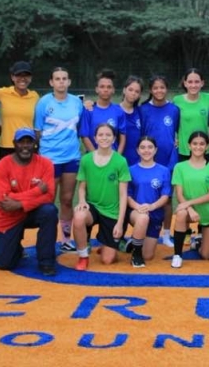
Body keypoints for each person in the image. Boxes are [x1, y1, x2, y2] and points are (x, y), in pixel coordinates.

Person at [0, 128, 58, 276]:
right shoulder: (3, 164)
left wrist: (21, 204)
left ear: (35, 144)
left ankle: (46, 261)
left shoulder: (46, 163)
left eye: (29, 142)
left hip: (31, 211)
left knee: (50, 211)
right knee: (4, 264)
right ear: (14, 144)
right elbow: (4, 200)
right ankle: (16, 246)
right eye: (21, 142)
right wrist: (37, 192)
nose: (25, 146)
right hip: (10, 217)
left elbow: (49, 196)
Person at [34, 67, 84, 253]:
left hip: (71, 157)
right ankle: (46, 238)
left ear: (69, 82)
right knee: (47, 200)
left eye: (64, 78)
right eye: (57, 79)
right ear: (51, 82)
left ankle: (65, 239)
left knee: (67, 198)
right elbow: (37, 131)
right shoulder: (44, 103)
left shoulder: (76, 103)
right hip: (50, 158)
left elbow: (79, 128)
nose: (61, 82)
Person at [73, 123, 131, 271]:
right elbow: (82, 186)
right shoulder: (86, 160)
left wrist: (119, 223)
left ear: (113, 139)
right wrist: (81, 201)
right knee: (79, 217)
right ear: (95, 138)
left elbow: (123, 195)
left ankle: (109, 245)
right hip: (93, 207)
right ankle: (83, 255)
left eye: (108, 135)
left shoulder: (120, 161)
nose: (104, 138)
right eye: (100, 135)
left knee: (107, 260)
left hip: (112, 211)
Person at [170, 131, 209, 268]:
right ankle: (177, 255)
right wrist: (190, 209)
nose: (198, 147)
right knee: (181, 213)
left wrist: (188, 203)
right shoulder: (179, 167)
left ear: (207, 146)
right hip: (189, 212)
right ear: (189, 146)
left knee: (206, 255)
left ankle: (199, 241)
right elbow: (179, 195)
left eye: (202, 144)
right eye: (194, 144)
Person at [140, 75, 180, 247]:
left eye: (162, 87)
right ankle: (144, 230)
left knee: (167, 198)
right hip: (148, 158)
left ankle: (165, 234)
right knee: (145, 195)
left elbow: (176, 130)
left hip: (168, 158)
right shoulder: (143, 109)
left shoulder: (174, 109)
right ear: (151, 90)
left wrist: (175, 142)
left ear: (167, 89)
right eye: (155, 88)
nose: (159, 91)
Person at [126, 136, 171, 268]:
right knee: (143, 218)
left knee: (149, 255)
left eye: (150, 147)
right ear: (137, 150)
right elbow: (127, 195)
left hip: (155, 213)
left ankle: (134, 242)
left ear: (155, 150)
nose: (146, 150)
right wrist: (138, 207)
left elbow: (165, 196)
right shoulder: (131, 170)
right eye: (143, 147)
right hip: (136, 212)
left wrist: (152, 206)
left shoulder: (164, 171)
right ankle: (136, 255)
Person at [0, 61, 40, 161]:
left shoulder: (35, 96)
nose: (22, 78)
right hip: (7, 146)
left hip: (28, 146)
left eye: (26, 75)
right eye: (18, 75)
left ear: (31, 78)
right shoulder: (2, 92)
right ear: (12, 77)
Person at [79, 68, 126, 154]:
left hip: (112, 158)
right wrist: (96, 156)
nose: (105, 90)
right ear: (97, 89)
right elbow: (84, 136)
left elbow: (122, 136)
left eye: (109, 87)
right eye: (102, 86)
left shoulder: (118, 111)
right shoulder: (89, 110)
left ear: (113, 90)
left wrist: (118, 156)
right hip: (93, 158)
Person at [173, 68, 209, 162]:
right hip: (184, 150)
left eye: (197, 82)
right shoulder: (177, 101)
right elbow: (172, 122)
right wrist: (174, 138)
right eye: (190, 82)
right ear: (185, 83)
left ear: (202, 83)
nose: (193, 85)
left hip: (204, 149)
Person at [120, 76, 144, 167]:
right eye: (130, 90)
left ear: (140, 95)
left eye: (137, 91)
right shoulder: (114, 110)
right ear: (124, 90)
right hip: (118, 159)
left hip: (136, 161)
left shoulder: (141, 112)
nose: (133, 93)